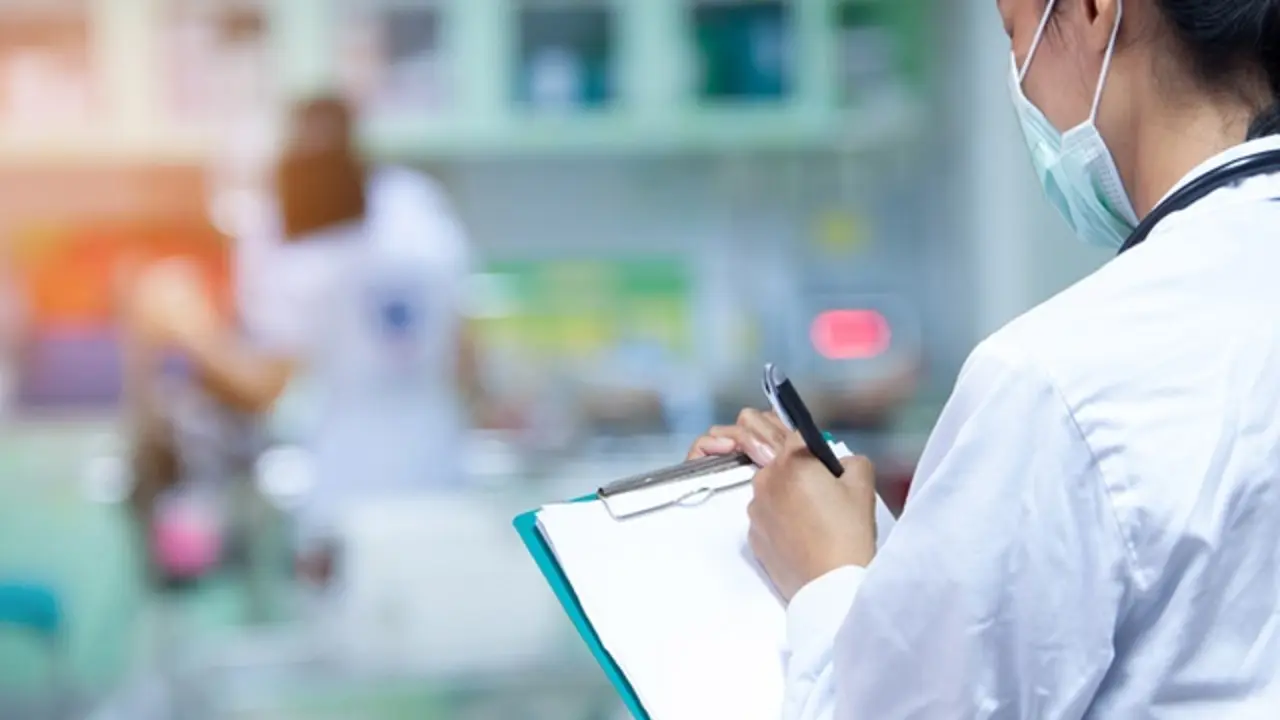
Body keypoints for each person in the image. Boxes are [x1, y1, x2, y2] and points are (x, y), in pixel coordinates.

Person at [690, 0, 1280, 716]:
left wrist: (828, 576)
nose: (1020, 81)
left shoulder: (1058, 382)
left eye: (1013, 34)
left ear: (1094, 9)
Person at [124, 96, 484, 586]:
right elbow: (467, 359)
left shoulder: (305, 242)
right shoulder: (415, 205)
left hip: (349, 494)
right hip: (438, 473)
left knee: (359, 624)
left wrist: (186, 324)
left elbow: (263, 387)